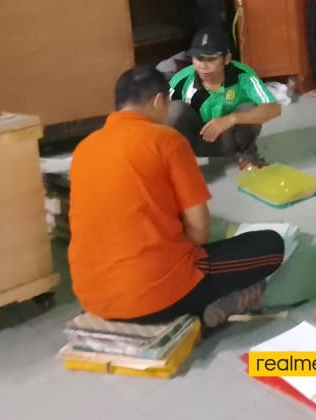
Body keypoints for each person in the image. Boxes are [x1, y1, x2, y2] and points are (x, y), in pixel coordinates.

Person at [68, 66, 286, 328]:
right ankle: (201, 311)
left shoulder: (84, 149)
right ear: (159, 101)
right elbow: (199, 233)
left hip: (94, 298)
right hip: (153, 294)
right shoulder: (166, 140)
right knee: (271, 245)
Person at [167, 27, 280, 170]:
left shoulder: (243, 75)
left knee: (249, 107)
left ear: (226, 59)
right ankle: (179, 165)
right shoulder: (182, 80)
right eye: (198, 58)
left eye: (211, 59)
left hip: (230, 140)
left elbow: (274, 108)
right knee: (174, 109)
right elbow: (155, 116)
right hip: (196, 141)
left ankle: (248, 158)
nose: (203, 66)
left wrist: (231, 119)